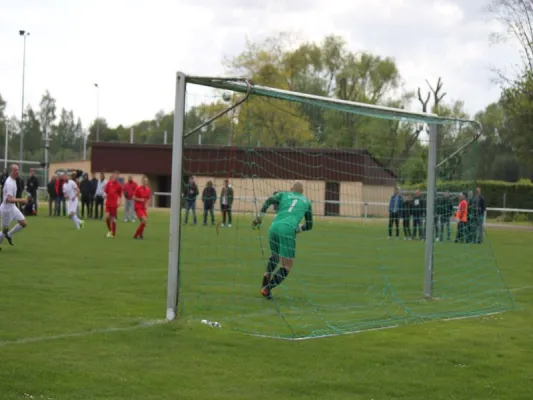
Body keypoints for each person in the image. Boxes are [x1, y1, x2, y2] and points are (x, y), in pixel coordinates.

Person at [251, 181, 313, 300]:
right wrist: (299, 228)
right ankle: (267, 289)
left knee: (275, 256)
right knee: (287, 265)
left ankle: (266, 277)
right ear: (302, 192)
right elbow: (309, 225)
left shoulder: (284, 194)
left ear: (291, 189)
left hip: (273, 227)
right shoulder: (306, 202)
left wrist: (260, 217)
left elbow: (269, 200)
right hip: (288, 229)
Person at [0, 164, 29, 247]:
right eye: (15, 170)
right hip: (6, 210)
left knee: (23, 223)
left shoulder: (14, 180)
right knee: (4, 230)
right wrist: (22, 200)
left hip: (12, 208)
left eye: (18, 170)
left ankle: (9, 235)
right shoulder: (9, 183)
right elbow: (9, 200)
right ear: (11, 171)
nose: (17, 172)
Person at [104, 171, 122, 238]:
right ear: (113, 176)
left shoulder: (119, 185)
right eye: (115, 175)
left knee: (113, 219)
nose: (115, 177)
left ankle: (113, 234)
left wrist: (119, 202)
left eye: (117, 176)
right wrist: (105, 196)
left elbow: (120, 195)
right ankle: (110, 231)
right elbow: (105, 192)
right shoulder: (109, 183)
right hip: (108, 203)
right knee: (107, 217)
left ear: (118, 177)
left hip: (114, 204)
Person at [132, 175, 151, 239]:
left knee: (143, 222)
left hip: (143, 208)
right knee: (144, 220)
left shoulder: (148, 189)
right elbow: (133, 197)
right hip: (138, 207)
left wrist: (147, 204)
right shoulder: (138, 188)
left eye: (146, 181)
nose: (145, 182)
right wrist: (140, 199)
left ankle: (140, 235)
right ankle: (135, 235)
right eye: (144, 181)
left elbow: (148, 198)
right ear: (142, 181)